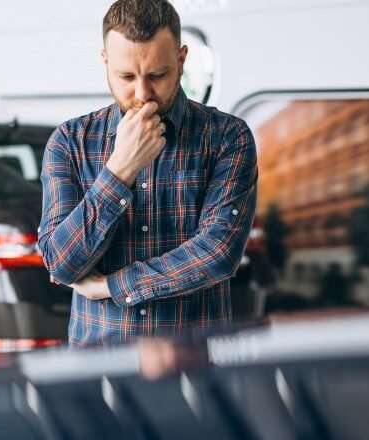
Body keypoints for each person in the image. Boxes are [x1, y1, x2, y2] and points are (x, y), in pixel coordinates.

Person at [38, 0, 258, 346]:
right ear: (105, 62)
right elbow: (62, 264)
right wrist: (120, 169)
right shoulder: (69, 142)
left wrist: (111, 286)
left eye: (158, 75)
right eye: (126, 76)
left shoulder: (227, 137)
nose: (142, 93)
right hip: (98, 372)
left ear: (182, 60)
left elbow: (218, 253)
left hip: (193, 368)